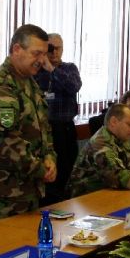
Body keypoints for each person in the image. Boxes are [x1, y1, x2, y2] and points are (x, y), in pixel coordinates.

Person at [0, 24, 57, 225]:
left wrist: (50, 157)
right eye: (36, 53)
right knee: (1, 244)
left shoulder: (28, 81)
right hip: (1, 192)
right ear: (17, 49)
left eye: (44, 54)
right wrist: (41, 169)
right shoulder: (0, 86)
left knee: (28, 240)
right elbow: (6, 142)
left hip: (27, 186)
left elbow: (43, 128)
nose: (42, 60)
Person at [68, 104, 130, 197]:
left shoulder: (121, 139)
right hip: (86, 199)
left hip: (109, 193)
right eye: (129, 124)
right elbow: (118, 177)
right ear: (113, 122)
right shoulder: (100, 144)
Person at [34, 33, 82, 203]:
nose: (54, 52)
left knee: (67, 171)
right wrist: (44, 66)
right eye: (50, 48)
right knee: (49, 175)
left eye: (58, 48)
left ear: (62, 49)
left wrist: (52, 70)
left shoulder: (69, 68)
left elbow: (74, 86)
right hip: (44, 131)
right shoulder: (36, 71)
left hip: (65, 128)